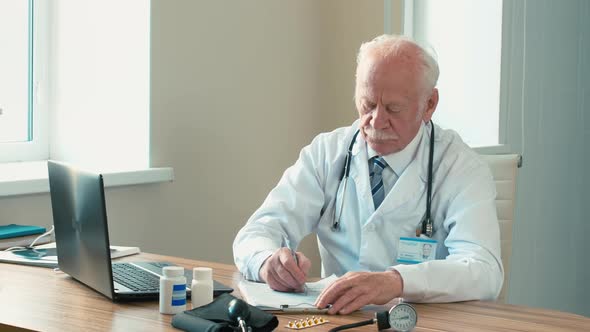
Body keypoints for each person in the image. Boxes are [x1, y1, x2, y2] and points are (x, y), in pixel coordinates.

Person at [233, 34, 503, 315]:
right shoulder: (327, 152)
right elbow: (256, 232)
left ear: (430, 104)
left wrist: (396, 281)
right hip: (337, 321)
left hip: (423, 320)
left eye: (393, 108)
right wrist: (268, 262)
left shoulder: (461, 167)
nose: (376, 121)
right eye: (368, 104)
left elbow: (484, 271)